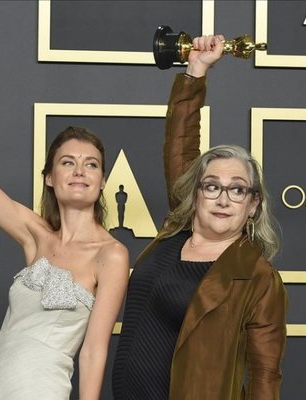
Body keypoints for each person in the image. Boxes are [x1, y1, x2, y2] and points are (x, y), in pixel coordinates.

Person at [112, 35, 287, 400]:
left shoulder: (258, 278)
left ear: (253, 204)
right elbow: (180, 142)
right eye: (212, 186)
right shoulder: (175, 229)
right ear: (196, 193)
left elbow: (265, 376)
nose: (223, 198)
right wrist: (196, 69)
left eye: (237, 189)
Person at [0, 123, 129, 399]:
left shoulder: (111, 254)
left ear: (103, 181)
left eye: (92, 165)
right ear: (49, 177)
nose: (80, 171)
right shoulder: (35, 236)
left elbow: (94, 350)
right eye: (67, 162)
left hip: (37, 385)